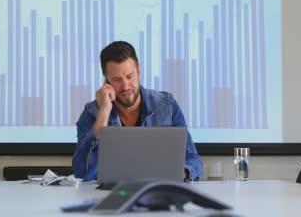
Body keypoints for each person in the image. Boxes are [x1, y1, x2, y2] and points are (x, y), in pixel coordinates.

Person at [72, 41, 203, 181]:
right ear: (107, 81)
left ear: (138, 72)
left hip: (157, 192)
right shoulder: (92, 113)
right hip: (110, 195)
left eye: (130, 76)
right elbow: (82, 173)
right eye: (116, 79)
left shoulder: (167, 106)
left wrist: (178, 174)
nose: (125, 86)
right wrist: (104, 112)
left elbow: (193, 160)